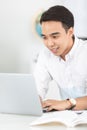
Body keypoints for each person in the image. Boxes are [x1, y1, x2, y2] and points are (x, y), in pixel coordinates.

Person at [34, 5, 87, 111]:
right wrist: (36, 100)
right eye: (44, 37)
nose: (49, 44)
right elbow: (38, 88)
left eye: (55, 36)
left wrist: (68, 103)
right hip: (68, 119)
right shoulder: (45, 55)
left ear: (70, 32)